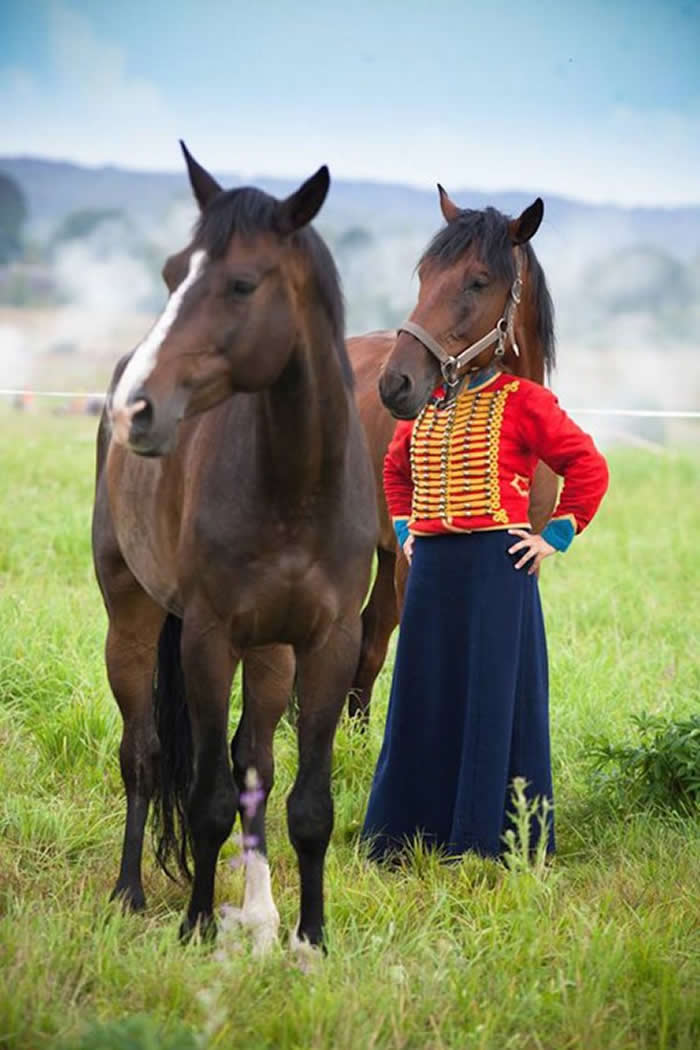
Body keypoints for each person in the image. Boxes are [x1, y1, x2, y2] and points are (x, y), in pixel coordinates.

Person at [361, 363, 609, 862]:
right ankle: (406, 836)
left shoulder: (525, 399)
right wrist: (408, 532)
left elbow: (588, 465)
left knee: (493, 699)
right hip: (430, 569)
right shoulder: (424, 400)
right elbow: (395, 469)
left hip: (498, 566)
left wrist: (555, 536)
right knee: (423, 693)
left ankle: (488, 842)